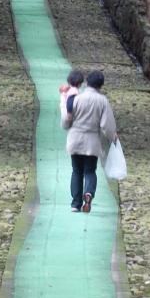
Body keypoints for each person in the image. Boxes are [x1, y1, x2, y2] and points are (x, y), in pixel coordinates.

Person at [63, 69, 117, 214]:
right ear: (101, 85)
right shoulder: (103, 101)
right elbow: (106, 125)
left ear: (86, 83)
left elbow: (67, 119)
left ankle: (75, 204)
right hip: (92, 141)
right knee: (90, 171)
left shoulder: (77, 98)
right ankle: (88, 193)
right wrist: (113, 136)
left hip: (75, 139)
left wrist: (66, 126)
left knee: (76, 171)